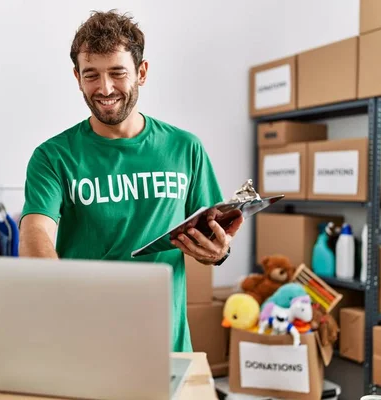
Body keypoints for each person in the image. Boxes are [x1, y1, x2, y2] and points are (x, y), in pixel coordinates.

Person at [18, 9, 244, 352]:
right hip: (83, 342)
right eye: (91, 74)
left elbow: (210, 235)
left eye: (117, 73)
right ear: (77, 77)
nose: (105, 88)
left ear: (141, 72)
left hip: (164, 344)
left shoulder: (185, 148)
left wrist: (218, 253)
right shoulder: (53, 156)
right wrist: (56, 291)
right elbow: (36, 231)